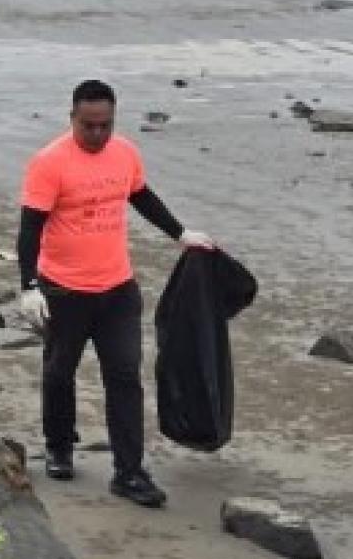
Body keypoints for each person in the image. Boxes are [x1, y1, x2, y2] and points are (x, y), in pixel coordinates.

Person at [17, 78, 218, 509]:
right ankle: (59, 446)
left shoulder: (124, 152)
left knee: (125, 378)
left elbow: (142, 197)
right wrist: (29, 286)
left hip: (117, 291)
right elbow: (29, 229)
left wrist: (182, 234)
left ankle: (129, 472)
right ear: (72, 118)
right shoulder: (49, 163)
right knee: (58, 373)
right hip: (63, 290)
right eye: (88, 125)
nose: (96, 134)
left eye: (104, 125)